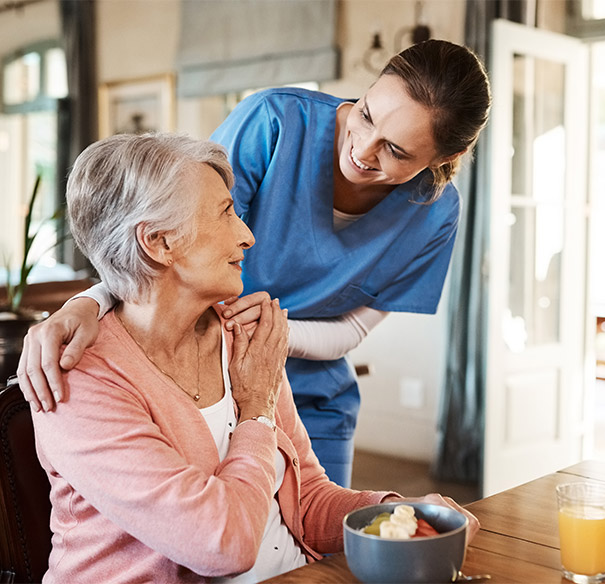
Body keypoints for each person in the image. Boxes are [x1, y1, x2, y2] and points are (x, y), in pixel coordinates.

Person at [18, 39, 491, 487]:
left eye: (395, 150)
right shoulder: (275, 122)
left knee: (318, 553)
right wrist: (89, 302)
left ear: (447, 157)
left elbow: (353, 331)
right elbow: (164, 235)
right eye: (366, 115)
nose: (362, 150)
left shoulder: (435, 214)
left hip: (313, 395)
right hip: (201, 377)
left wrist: (270, 339)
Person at [30, 133, 479, 583]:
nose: (247, 236)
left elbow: (307, 501)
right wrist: (257, 411)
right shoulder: (77, 377)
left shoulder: (241, 338)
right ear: (159, 243)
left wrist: (396, 514)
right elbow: (223, 544)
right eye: (226, 213)